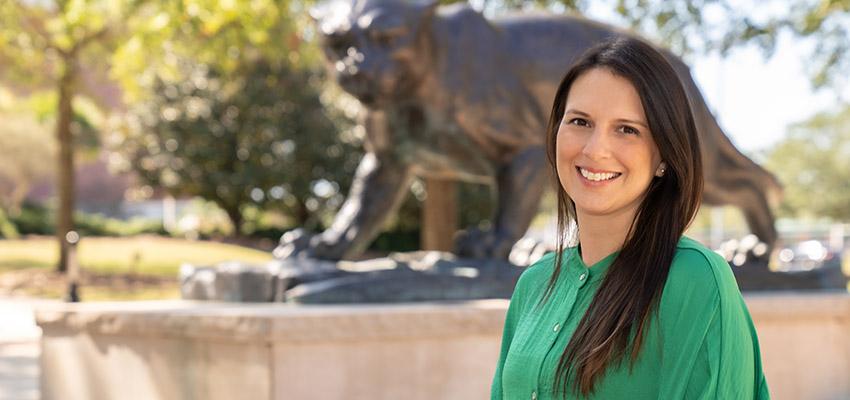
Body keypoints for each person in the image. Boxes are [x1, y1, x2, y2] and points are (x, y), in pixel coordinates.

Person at [490, 36, 769, 399]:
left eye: (627, 129)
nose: (595, 149)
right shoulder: (533, 286)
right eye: (579, 121)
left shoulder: (695, 281)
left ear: (665, 156)